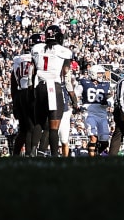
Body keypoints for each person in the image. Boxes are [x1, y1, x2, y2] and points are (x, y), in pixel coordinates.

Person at [32, 25, 75, 156]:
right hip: (53, 87)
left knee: (39, 122)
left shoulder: (36, 48)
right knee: (53, 127)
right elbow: (66, 72)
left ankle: (32, 151)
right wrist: (72, 96)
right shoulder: (64, 51)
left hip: (39, 86)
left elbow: (32, 70)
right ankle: (55, 156)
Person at [9, 34, 41, 156]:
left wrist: (14, 102)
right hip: (31, 92)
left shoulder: (17, 59)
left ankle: (15, 154)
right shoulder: (36, 57)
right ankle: (29, 154)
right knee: (31, 127)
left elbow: (13, 82)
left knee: (24, 128)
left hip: (19, 93)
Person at [77, 59, 114, 156]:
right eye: (99, 74)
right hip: (90, 113)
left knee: (105, 141)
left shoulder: (106, 85)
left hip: (102, 113)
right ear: (93, 74)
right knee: (93, 137)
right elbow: (76, 95)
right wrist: (78, 105)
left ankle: (96, 153)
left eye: (101, 74)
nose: (101, 76)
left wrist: (108, 103)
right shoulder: (84, 83)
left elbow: (111, 98)